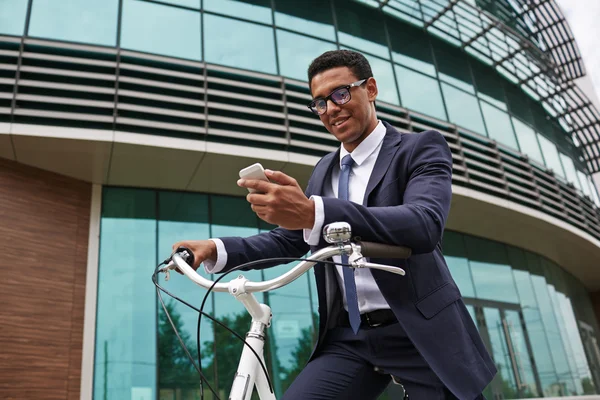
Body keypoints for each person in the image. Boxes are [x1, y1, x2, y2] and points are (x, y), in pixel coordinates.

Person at [173, 50, 496, 399]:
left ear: (370, 89)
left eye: (341, 94)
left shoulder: (420, 148)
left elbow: (423, 223)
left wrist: (314, 212)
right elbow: (292, 240)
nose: (331, 109)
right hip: (351, 337)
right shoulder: (324, 169)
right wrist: (216, 249)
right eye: (320, 103)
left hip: (419, 332)